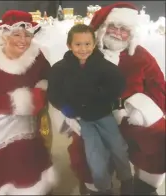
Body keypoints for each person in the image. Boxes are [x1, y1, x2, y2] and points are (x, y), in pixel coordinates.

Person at [61, 2, 165, 195]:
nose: (117, 33)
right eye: (113, 27)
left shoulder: (141, 56)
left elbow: (159, 88)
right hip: (93, 116)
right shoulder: (84, 54)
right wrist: (70, 113)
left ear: (131, 34)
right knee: (87, 150)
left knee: (159, 137)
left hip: (131, 116)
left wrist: (145, 111)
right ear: (102, 29)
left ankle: (145, 186)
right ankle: (97, 188)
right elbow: (65, 87)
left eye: (124, 29)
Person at [48, 24, 134, 195]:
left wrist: (103, 96)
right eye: (78, 44)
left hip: (103, 114)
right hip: (83, 119)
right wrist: (65, 108)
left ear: (94, 44)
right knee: (95, 155)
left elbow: (118, 85)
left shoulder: (105, 66)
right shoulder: (60, 69)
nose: (83, 49)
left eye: (87, 44)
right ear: (69, 45)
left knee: (118, 147)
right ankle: (103, 188)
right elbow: (54, 92)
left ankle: (126, 179)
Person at [0, 10, 58, 195]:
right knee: (2, 170)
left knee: (31, 165)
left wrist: (42, 90)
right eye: (16, 34)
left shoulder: (37, 56)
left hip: (30, 122)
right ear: (5, 35)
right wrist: (27, 101)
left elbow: (50, 78)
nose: (23, 40)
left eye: (28, 35)